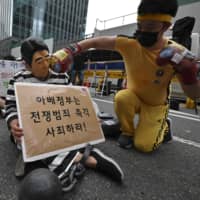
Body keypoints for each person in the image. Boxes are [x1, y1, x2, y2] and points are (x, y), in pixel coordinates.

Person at [59, 0, 200, 152]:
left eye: (150, 26)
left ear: (165, 26)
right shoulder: (129, 44)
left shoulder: (177, 54)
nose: (143, 30)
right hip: (133, 97)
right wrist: (68, 50)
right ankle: (127, 131)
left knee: (144, 146)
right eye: (140, 25)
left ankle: (164, 126)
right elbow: (96, 41)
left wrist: (188, 73)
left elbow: (194, 94)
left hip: (156, 105)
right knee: (121, 97)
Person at [4, 37, 124, 192]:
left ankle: (69, 164)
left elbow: (73, 101)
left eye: (48, 58)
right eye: (39, 61)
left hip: (59, 127)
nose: (46, 64)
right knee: (29, 143)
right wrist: (13, 123)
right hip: (33, 129)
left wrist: (88, 115)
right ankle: (87, 158)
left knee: (66, 138)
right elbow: (11, 107)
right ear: (27, 64)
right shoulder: (18, 80)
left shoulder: (62, 77)